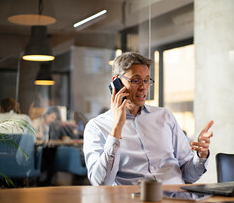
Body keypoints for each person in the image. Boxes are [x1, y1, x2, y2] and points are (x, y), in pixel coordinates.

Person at [83, 51, 213, 186]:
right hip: (133, 202)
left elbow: (189, 176)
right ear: (116, 81)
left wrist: (201, 156)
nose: (143, 87)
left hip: (176, 200)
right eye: (135, 80)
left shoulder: (165, 116)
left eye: (146, 80)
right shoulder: (96, 127)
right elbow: (101, 183)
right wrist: (117, 128)